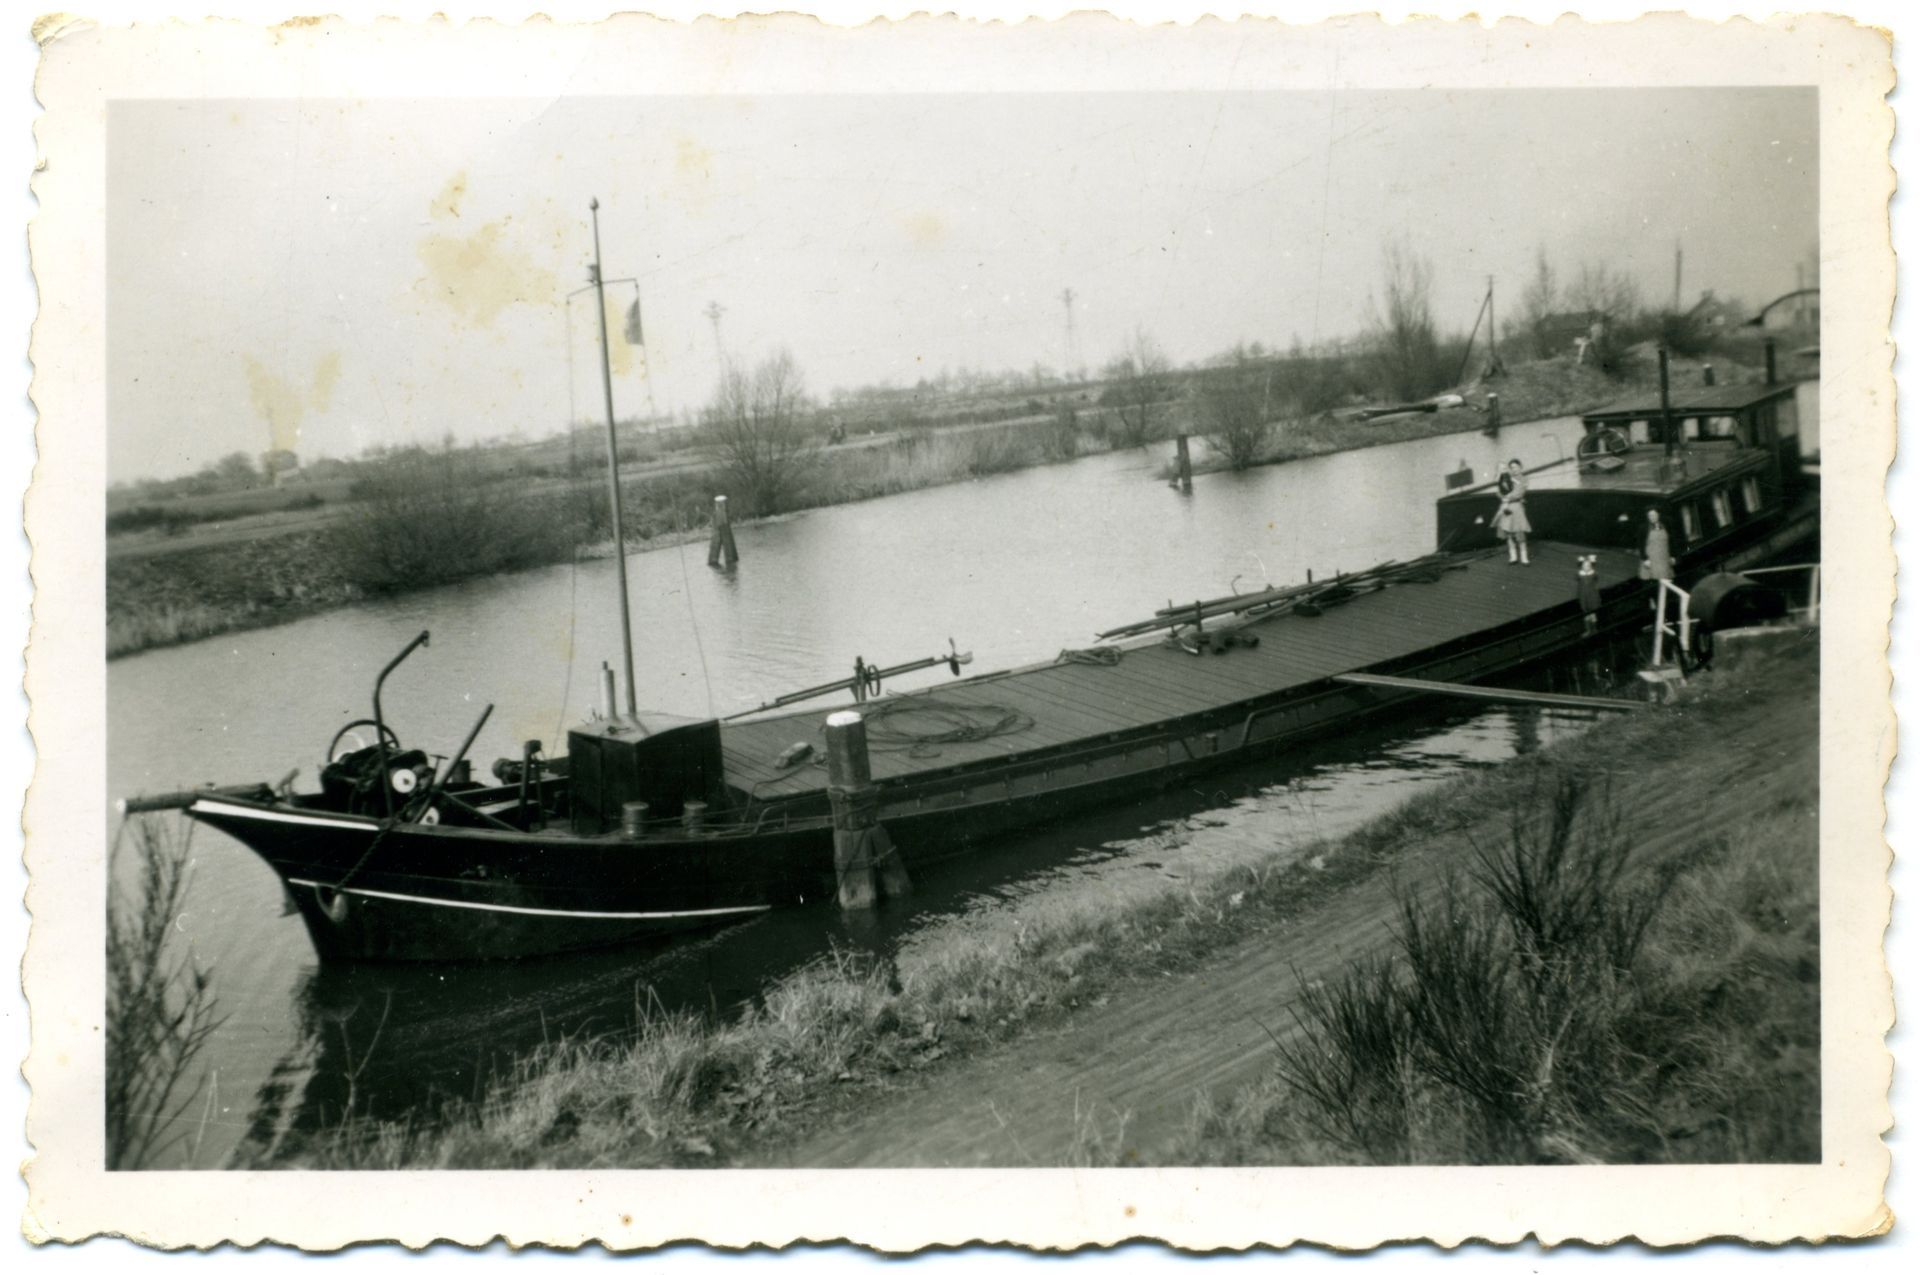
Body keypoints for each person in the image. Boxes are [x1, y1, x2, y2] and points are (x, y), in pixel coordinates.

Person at [1494, 458, 1531, 565]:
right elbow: (1498, 492)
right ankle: (1513, 557)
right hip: (1506, 507)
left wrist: (1506, 498)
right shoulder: (1507, 478)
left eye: (1515, 467)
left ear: (1520, 467)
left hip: (1516, 506)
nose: (1513, 469)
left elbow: (1520, 493)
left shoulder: (1524, 479)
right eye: (1511, 468)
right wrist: (1502, 496)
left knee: (1519, 532)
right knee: (1508, 532)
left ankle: (1524, 557)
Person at [1576, 554, 1601, 635]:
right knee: (1586, 614)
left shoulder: (1592, 574)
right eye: (1585, 565)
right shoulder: (1580, 574)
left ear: (1591, 566)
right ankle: (1588, 630)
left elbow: (1596, 576)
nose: (1586, 567)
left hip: (1592, 597)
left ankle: (1594, 629)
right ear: (1582, 566)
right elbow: (1577, 576)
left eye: (1588, 565)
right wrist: (1580, 561)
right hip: (1583, 597)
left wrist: (1592, 562)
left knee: (1592, 614)